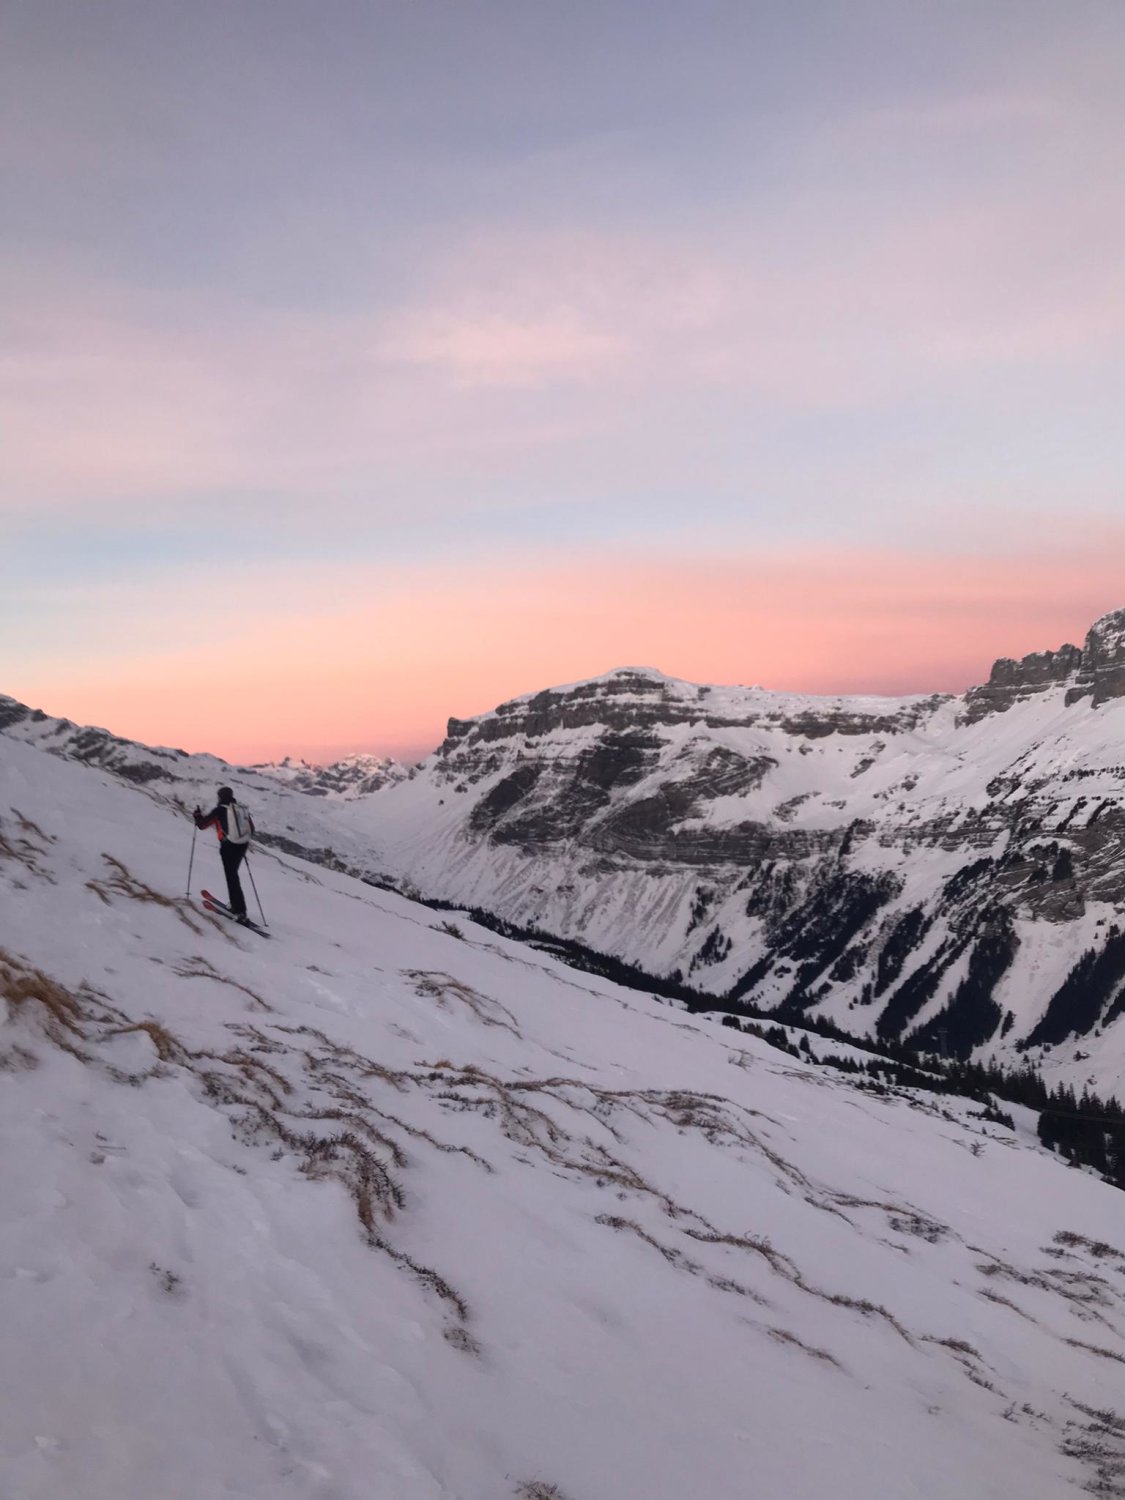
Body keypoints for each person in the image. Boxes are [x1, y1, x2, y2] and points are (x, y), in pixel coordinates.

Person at [193, 786, 255, 923]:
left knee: (231, 877)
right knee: (233, 875)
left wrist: (197, 816)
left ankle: (240, 911)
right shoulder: (240, 809)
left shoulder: (219, 810)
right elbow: (252, 828)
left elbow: (202, 825)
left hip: (228, 846)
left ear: (220, 797)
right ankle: (235, 904)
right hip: (242, 846)